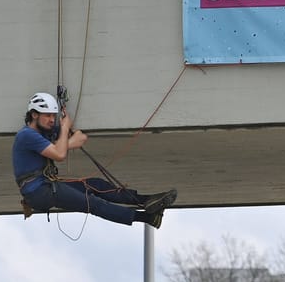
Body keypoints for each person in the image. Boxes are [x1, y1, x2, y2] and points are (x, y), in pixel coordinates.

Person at [13, 92, 178, 227]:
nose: (51, 120)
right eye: (47, 115)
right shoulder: (27, 135)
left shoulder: (43, 132)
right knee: (92, 203)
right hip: (39, 192)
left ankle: (147, 200)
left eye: (53, 116)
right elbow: (60, 154)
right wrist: (65, 132)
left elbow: (77, 138)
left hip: (46, 187)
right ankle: (148, 218)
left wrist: (67, 134)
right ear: (34, 114)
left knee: (95, 185)